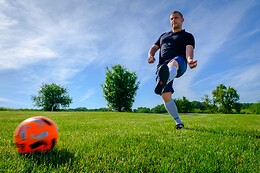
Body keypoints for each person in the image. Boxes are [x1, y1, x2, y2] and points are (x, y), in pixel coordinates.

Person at [147, 11, 197, 129]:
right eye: (171, 19)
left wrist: (190, 60)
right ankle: (178, 122)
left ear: (182, 20)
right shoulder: (163, 36)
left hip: (180, 63)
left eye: (176, 18)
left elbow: (189, 49)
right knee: (166, 95)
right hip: (162, 67)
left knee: (173, 63)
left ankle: (164, 80)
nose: (173, 20)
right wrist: (150, 55)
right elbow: (153, 48)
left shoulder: (187, 36)